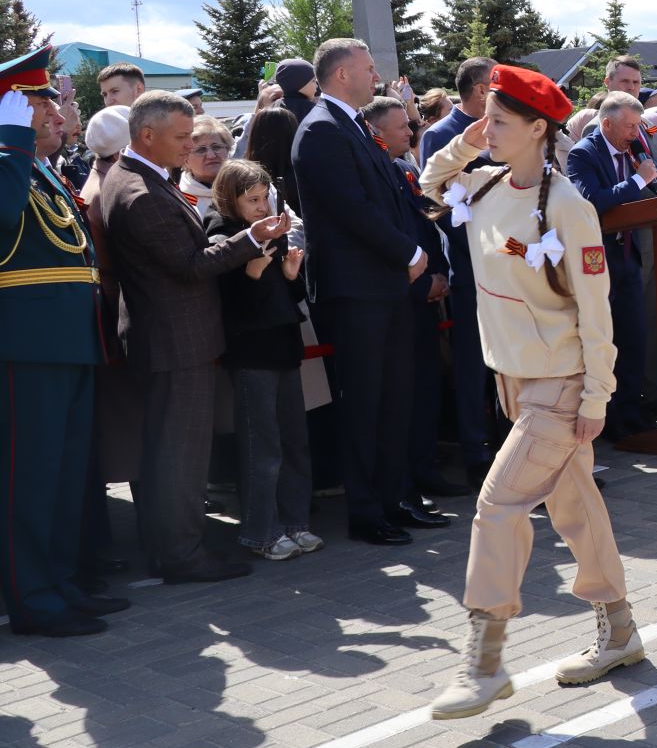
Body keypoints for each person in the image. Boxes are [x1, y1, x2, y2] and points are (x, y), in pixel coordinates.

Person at [420, 66, 647, 719]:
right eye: (483, 118)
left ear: (537, 129)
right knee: (574, 507)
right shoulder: (486, 185)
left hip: (561, 385)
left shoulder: (568, 206)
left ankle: (485, 662)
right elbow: (430, 184)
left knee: (498, 505)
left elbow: (596, 311)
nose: (484, 129)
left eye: (498, 122)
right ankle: (621, 630)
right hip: (514, 380)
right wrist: (464, 144)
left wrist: (597, 396)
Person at [99, 89, 291, 583]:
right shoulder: (141, 192)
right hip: (175, 342)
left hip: (169, 338)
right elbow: (189, 266)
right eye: (183, 137)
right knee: (179, 457)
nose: (191, 146)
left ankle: (173, 548)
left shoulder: (136, 175)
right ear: (147, 135)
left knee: (171, 454)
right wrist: (252, 237)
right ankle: (182, 555)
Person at [291, 39, 440, 546]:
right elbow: (352, 209)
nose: (376, 75)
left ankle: (395, 498)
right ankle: (367, 510)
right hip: (357, 289)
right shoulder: (321, 130)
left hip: (383, 285)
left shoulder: (351, 124)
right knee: (364, 402)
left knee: (394, 397)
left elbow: (390, 198)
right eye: (369, 67)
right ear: (341, 74)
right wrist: (407, 252)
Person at [0, 49, 124, 636]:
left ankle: (61, 583)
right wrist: (10, 143)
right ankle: (32, 600)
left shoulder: (37, 168)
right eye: (39, 103)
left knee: (65, 476)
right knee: (29, 479)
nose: (55, 112)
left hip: (70, 341)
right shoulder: (10, 163)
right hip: (27, 347)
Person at [206, 160, 317, 562]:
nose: (260, 206)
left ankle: (295, 522)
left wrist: (289, 274)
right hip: (251, 351)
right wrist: (251, 274)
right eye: (251, 200)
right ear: (230, 200)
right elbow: (227, 304)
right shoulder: (222, 234)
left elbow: (291, 296)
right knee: (262, 445)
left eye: (263, 197)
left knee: (294, 441)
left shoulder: (272, 227)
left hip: (283, 345)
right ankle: (261, 532)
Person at [565, 90, 657, 441]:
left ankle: (631, 412)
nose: (635, 132)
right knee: (605, 342)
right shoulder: (583, 153)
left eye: (637, 126)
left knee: (634, 337)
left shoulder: (635, 146)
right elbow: (592, 202)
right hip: (598, 261)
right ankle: (608, 418)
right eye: (629, 126)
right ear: (607, 124)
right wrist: (638, 180)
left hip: (629, 255)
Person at [366, 95, 460, 500]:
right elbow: (390, 239)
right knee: (401, 396)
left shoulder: (406, 168)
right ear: (377, 131)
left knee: (426, 388)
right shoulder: (373, 175)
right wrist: (422, 284)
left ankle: (424, 469)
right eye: (403, 125)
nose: (412, 130)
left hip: (427, 293)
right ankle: (403, 481)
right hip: (400, 298)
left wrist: (440, 275)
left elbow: (428, 224)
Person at [418, 57, 497, 487]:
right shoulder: (441, 134)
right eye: (497, 83)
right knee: (473, 366)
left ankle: (518, 451)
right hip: (471, 266)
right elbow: (438, 205)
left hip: (513, 264)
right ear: (481, 89)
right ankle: (476, 453)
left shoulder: (507, 127)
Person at [177, 115, 231, 221]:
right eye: (201, 150)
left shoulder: (249, 186)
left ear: (228, 151)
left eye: (216, 147)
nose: (211, 155)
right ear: (185, 160)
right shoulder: (180, 201)